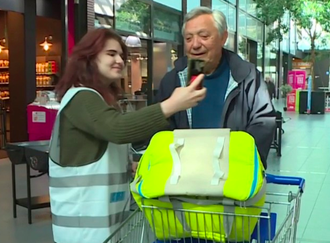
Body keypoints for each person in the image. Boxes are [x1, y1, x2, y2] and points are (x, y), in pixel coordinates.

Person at [49, 28, 207, 243]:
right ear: (88, 57)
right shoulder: (81, 97)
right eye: (111, 54)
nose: (119, 60)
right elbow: (117, 129)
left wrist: (128, 165)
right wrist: (170, 105)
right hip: (82, 230)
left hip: (100, 227)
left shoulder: (97, 99)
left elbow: (102, 148)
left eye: (122, 55)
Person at [155, 6, 276, 167]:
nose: (195, 45)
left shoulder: (247, 76)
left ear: (223, 37)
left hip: (233, 175)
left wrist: (240, 162)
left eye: (204, 36)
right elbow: (159, 128)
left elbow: (263, 121)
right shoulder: (173, 80)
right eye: (188, 38)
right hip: (184, 176)